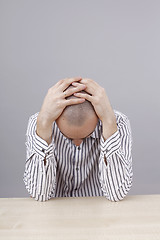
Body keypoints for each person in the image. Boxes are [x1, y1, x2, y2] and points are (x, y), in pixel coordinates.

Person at [23, 77, 133, 202]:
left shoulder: (117, 123)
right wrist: (43, 124)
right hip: (54, 211)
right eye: (68, 137)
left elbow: (116, 194)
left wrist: (109, 122)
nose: (77, 144)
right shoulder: (40, 122)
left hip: (100, 211)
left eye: (86, 136)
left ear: (98, 118)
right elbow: (39, 194)